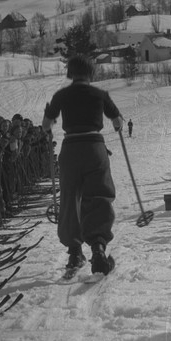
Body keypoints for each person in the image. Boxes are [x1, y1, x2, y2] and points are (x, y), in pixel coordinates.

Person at [42, 54, 122, 277]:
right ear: (91, 72)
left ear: (71, 73)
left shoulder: (62, 95)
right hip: (94, 147)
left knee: (70, 198)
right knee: (98, 196)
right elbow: (117, 121)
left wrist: (48, 127)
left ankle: (75, 252)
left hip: (71, 148)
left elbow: (46, 124)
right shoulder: (99, 94)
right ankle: (98, 250)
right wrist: (117, 125)